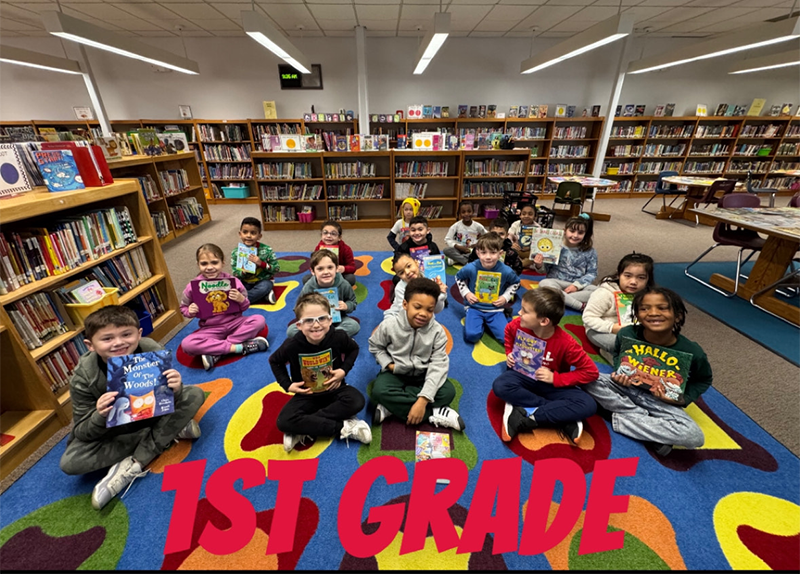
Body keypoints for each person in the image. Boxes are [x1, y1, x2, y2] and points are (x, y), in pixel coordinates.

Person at [60, 306, 205, 510]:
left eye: (126, 334)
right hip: (117, 430)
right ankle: (169, 432)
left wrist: (175, 388)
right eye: (107, 338)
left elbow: (169, 398)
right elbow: (82, 431)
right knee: (70, 462)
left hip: (152, 414)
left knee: (194, 394)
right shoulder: (83, 377)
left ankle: (137, 462)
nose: (119, 343)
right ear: (90, 345)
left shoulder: (150, 349)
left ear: (139, 334)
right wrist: (100, 414)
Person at [584, 286, 710, 457]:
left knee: (693, 435)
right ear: (636, 315)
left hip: (660, 401)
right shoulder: (627, 333)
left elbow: (703, 380)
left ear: (678, 315)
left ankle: (612, 414)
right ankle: (645, 423)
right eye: (644, 308)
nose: (653, 313)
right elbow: (619, 355)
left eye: (662, 308)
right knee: (583, 377)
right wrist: (618, 373)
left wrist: (682, 398)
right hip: (625, 388)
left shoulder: (693, 351)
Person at [269, 293, 372, 452]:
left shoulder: (338, 337)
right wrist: (287, 385)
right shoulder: (292, 345)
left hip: (335, 388)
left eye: (322, 318)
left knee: (357, 401)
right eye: (309, 320)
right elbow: (275, 361)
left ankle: (304, 427)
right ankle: (343, 427)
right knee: (283, 422)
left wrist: (343, 371)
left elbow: (353, 349)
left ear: (330, 320)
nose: (316, 325)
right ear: (299, 325)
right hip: (307, 393)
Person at [494, 288, 599, 443]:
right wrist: (509, 352)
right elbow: (509, 332)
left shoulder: (567, 343)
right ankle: (560, 414)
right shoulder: (517, 325)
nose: (519, 313)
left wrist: (555, 378)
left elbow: (591, 372)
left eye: (525, 311)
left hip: (551, 384)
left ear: (544, 321)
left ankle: (526, 413)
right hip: (522, 376)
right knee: (500, 386)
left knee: (588, 405)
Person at [369, 278, 465, 430]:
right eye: (417, 307)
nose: (423, 314)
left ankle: (391, 408)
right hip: (396, 372)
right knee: (378, 391)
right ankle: (435, 411)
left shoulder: (438, 332)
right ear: (405, 304)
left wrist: (423, 400)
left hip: (423, 373)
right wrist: (388, 364)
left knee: (448, 392)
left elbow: (439, 365)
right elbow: (375, 346)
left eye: (429, 310)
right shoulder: (389, 325)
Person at [180, 243, 268, 371]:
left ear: (223, 263)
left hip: (235, 323)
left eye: (214, 263)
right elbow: (183, 308)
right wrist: (190, 311)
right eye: (204, 264)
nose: (210, 267)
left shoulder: (233, 282)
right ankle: (238, 347)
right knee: (187, 344)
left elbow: (245, 305)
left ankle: (218, 351)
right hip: (211, 329)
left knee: (259, 320)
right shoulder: (192, 287)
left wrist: (241, 299)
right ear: (198, 265)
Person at [583, 253, 655, 362]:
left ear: (648, 279)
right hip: (601, 330)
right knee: (618, 344)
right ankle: (612, 355)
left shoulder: (647, 295)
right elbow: (588, 318)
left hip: (632, 332)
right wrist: (612, 328)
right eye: (627, 276)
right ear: (618, 274)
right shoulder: (605, 293)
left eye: (641, 277)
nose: (633, 282)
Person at [455, 232, 520, 343]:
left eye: (493, 253)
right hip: (474, 307)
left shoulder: (506, 270)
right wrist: (467, 293)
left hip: (495, 309)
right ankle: (483, 323)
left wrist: (505, 297)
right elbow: (458, 277)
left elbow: (516, 283)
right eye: (484, 252)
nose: (488, 257)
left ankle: (499, 319)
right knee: (471, 336)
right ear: (478, 253)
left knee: (507, 339)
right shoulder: (471, 267)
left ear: (500, 253)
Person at [533, 214, 598, 312]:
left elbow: (592, 273)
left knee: (598, 291)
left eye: (580, 233)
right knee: (544, 283)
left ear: (585, 234)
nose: (575, 235)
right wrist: (539, 264)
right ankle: (579, 306)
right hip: (556, 282)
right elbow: (545, 270)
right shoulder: (555, 247)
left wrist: (576, 286)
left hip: (578, 286)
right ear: (564, 231)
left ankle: (557, 298)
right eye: (572, 231)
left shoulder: (590, 251)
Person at [288, 249, 359, 338]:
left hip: (336, 321)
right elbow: (298, 307)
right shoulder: (309, 286)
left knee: (353, 326)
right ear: (313, 271)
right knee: (291, 331)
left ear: (337, 268)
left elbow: (352, 301)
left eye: (330, 267)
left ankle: (320, 338)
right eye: (320, 269)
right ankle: (332, 338)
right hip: (314, 323)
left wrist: (346, 306)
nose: (326, 272)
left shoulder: (343, 284)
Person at [230, 216, 280, 305]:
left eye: (253, 233)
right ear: (240, 234)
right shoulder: (236, 252)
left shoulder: (267, 250)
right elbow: (235, 273)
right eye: (245, 232)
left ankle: (242, 300)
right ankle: (263, 296)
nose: (248, 236)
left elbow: (276, 269)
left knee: (265, 286)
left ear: (259, 236)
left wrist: (261, 264)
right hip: (245, 281)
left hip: (262, 281)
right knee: (233, 286)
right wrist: (245, 270)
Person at [385, 252, 447, 318]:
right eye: (401, 272)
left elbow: (436, 310)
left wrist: (440, 295)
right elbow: (405, 313)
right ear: (399, 276)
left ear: (416, 263)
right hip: (400, 315)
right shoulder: (400, 288)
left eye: (409, 266)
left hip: (422, 314)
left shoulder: (429, 279)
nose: (407, 272)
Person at [303, 220, 356, 286]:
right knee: (306, 279)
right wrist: (317, 271)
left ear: (339, 237)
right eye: (325, 233)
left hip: (338, 275)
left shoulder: (346, 249)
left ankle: (333, 285)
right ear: (321, 235)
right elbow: (313, 264)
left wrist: (344, 269)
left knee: (351, 278)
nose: (328, 236)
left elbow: (352, 267)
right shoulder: (319, 248)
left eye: (333, 233)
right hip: (322, 275)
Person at [444, 202, 487, 266]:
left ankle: (457, 260)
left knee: (483, 252)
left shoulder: (478, 226)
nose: (466, 214)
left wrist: (477, 244)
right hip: (458, 249)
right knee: (446, 250)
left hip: (472, 251)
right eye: (463, 212)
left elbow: (487, 236)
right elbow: (447, 239)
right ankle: (468, 261)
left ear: (473, 212)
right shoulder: (455, 226)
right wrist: (457, 246)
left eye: (469, 211)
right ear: (459, 214)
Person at [508, 204, 540, 270]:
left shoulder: (538, 228)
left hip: (529, 251)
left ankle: (520, 264)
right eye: (524, 214)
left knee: (537, 256)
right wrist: (512, 244)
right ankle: (523, 263)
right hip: (517, 250)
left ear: (535, 216)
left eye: (530, 214)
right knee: (508, 251)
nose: (526, 216)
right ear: (520, 215)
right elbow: (509, 236)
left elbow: (539, 243)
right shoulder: (516, 224)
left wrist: (530, 247)